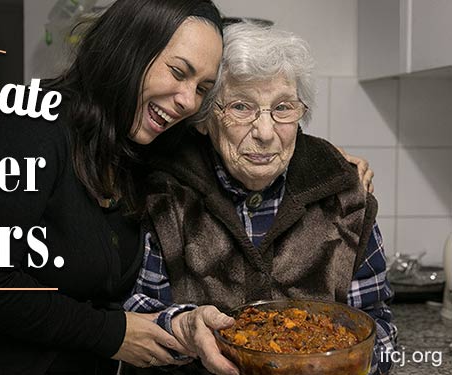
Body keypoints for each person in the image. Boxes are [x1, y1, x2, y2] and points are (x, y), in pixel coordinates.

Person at [0, 1, 225, 374]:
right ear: (128, 48)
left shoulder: (133, 152)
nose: (188, 100)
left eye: (202, 88)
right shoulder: (22, 122)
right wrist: (109, 334)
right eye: (178, 72)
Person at [125, 22, 396, 375]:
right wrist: (188, 328)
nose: (266, 133)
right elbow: (137, 312)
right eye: (241, 107)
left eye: (283, 108)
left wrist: (336, 364)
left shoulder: (345, 199)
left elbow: (378, 329)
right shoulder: (165, 194)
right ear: (205, 119)